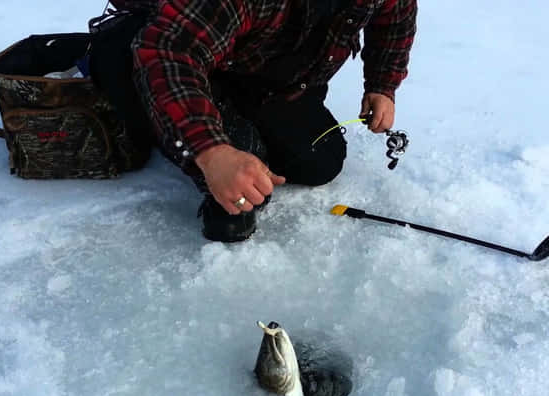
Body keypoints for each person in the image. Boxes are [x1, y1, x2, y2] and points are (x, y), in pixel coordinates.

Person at [111, 0, 417, 242]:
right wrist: (212, 151)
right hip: (172, 47)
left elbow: (396, 15)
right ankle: (129, 82)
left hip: (267, 72)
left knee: (317, 161)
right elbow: (169, 51)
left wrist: (381, 85)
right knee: (237, 201)